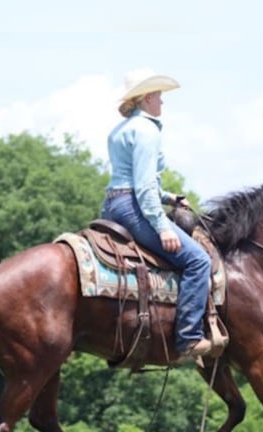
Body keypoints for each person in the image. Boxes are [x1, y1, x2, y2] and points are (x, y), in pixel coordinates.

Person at [101, 72, 212, 359]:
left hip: (112, 204)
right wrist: (162, 225)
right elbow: (144, 186)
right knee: (198, 260)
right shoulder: (147, 130)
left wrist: (169, 198)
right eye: (159, 95)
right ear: (148, 97)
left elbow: (130, 179)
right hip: (133, 206)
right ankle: (188, 337)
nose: (162, 100)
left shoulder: (120, 130)